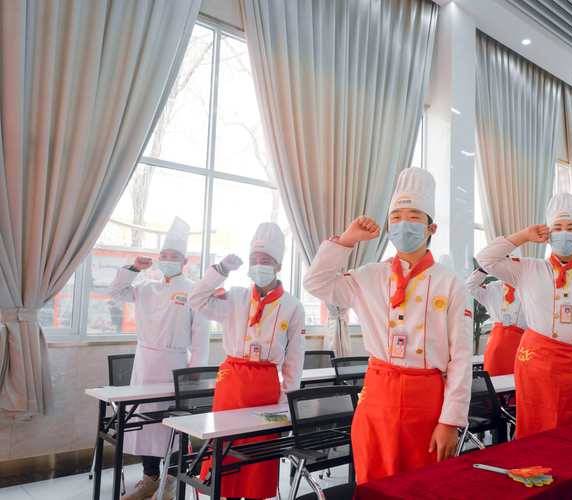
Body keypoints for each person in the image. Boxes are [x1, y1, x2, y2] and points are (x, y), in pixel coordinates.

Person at [303, 167, 472, 484]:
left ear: (431, 228)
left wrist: (450, 421)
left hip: (427, 400)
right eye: (396, 217)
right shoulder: (369, 276)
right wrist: (347, 240)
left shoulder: (450, 282)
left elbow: (461, 358)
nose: (403, 223)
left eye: (413, 217)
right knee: (374, 481)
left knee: (422, 485)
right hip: (377, 397)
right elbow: (315, 283)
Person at [476, 193, 572, 439]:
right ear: (547, 236)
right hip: (537, 369)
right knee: (537, 434)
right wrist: (524, 235)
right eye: (557, 228)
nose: (564, 233)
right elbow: (486, 258)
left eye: (571, 228)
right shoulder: (527, 269)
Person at [187, 222, 304, 500]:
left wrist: (286, 398)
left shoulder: (292, 306)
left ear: (278, 266)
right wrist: (221, 270)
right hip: (232, 381)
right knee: (225, 447)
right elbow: (196, 299)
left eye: (265, 261)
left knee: (256, 453)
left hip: (266, 385)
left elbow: (295, 357)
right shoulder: (235, 296)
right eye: (253, 261)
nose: (258, 266)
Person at [108, 217, 210, 500]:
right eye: (163, 255)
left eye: (174, 256)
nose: (167, 260)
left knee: (172, 423)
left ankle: (172, 479)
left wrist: (194, 371)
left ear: (184, 261)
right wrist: (133, 269)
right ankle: (150, 477)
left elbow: (201, 337)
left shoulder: (193, 290)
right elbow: (114, 291)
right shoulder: (146, 287)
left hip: (174, 366)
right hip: (144, 364)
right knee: (143, 421)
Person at [466, 267, 527, 376]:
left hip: (520, 342)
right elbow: (468, 287)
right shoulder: (492, 288)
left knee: (517, 378)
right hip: (497, 343)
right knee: (494, 375)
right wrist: (485, 268)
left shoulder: (528, 290)